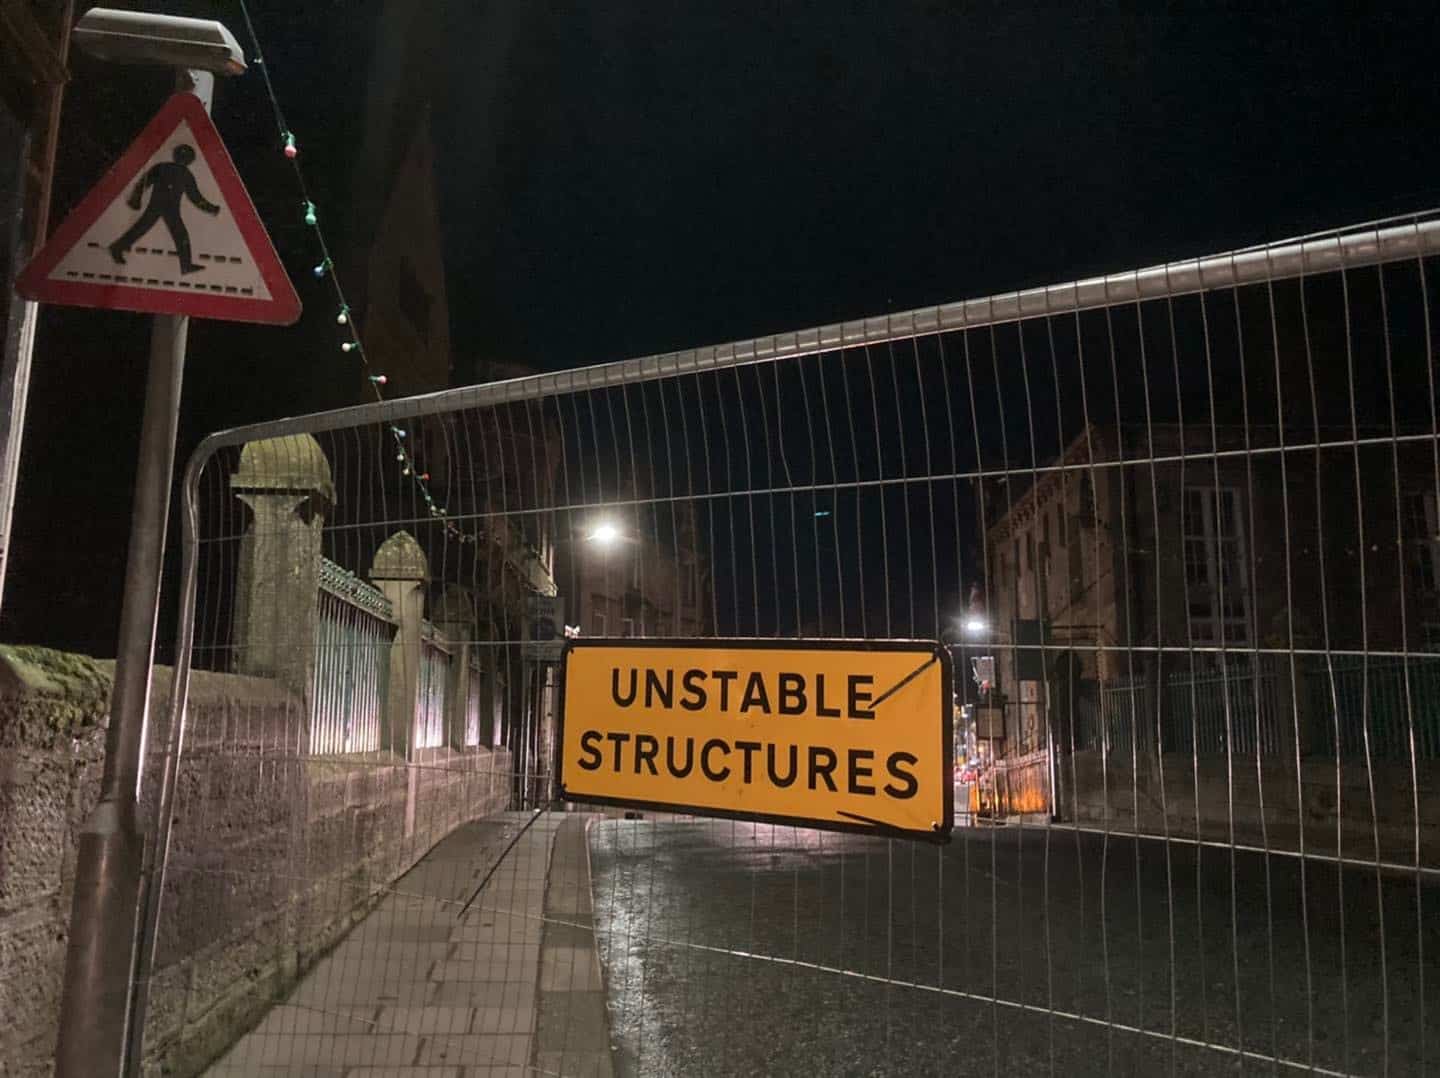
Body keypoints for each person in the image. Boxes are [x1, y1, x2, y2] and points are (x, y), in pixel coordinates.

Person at [108, 143, 220, 275]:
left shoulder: (162, 167)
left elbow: (142, 184)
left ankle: (117, 247)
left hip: (159, 206)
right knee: (178, 234)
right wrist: (212, 209)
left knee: (143, 229)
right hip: (169, 209)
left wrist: (136, 200)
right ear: (190, 159)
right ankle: (186, 266)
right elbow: (196, 198)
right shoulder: (185, 174)